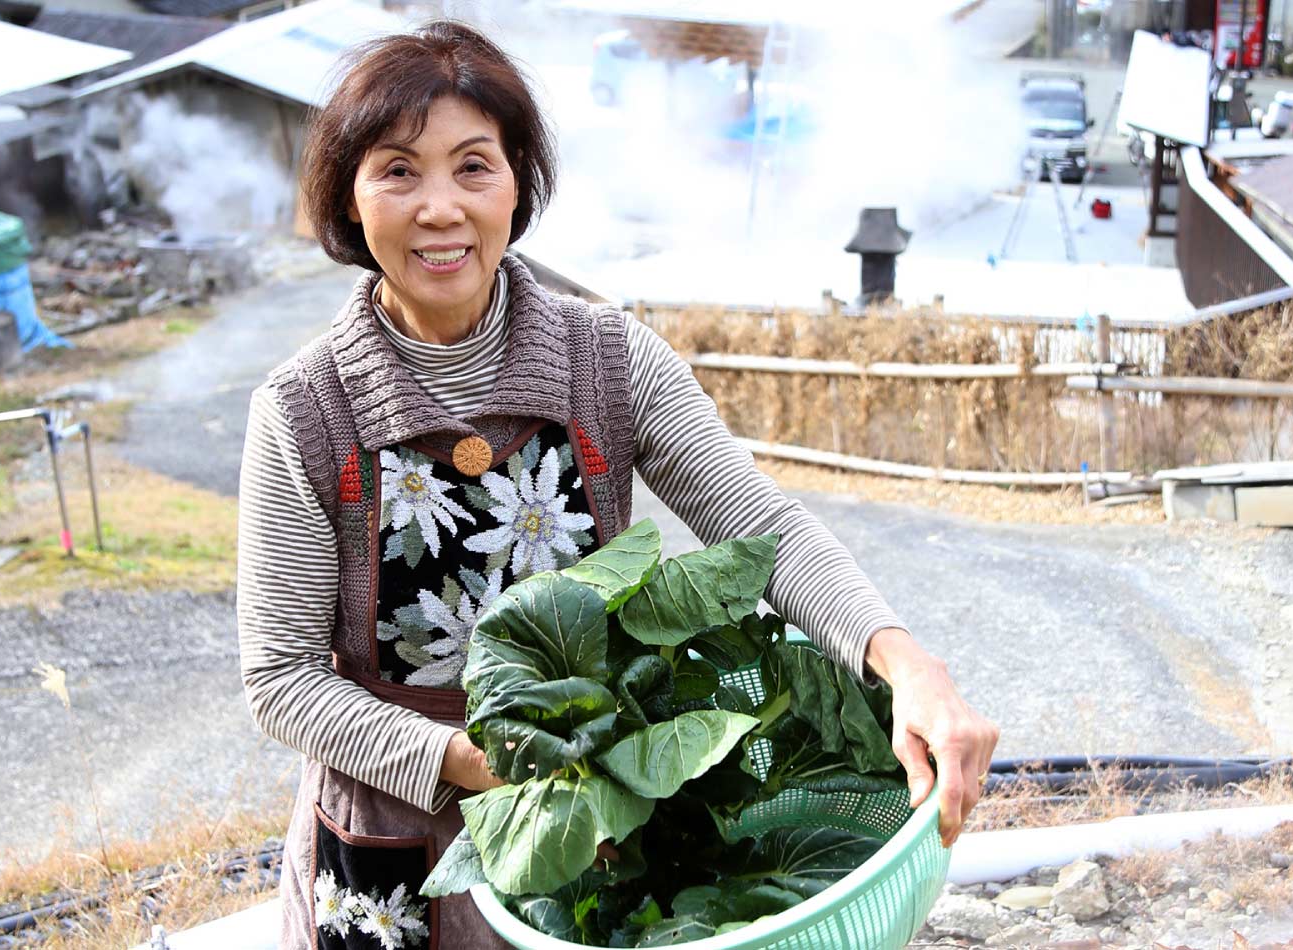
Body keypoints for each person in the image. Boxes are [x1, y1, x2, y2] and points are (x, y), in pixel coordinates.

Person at [237, 20, 999, 949]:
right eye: (398, 171)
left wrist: (906, 666)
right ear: (350, 199)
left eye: (474, 166)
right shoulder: (305, 409)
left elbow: (757, 528)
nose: (440, 207)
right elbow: (280, 680)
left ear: (518, 184)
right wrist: (479, 764)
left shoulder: (607, 359)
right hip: (399, 835)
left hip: (599, 826)